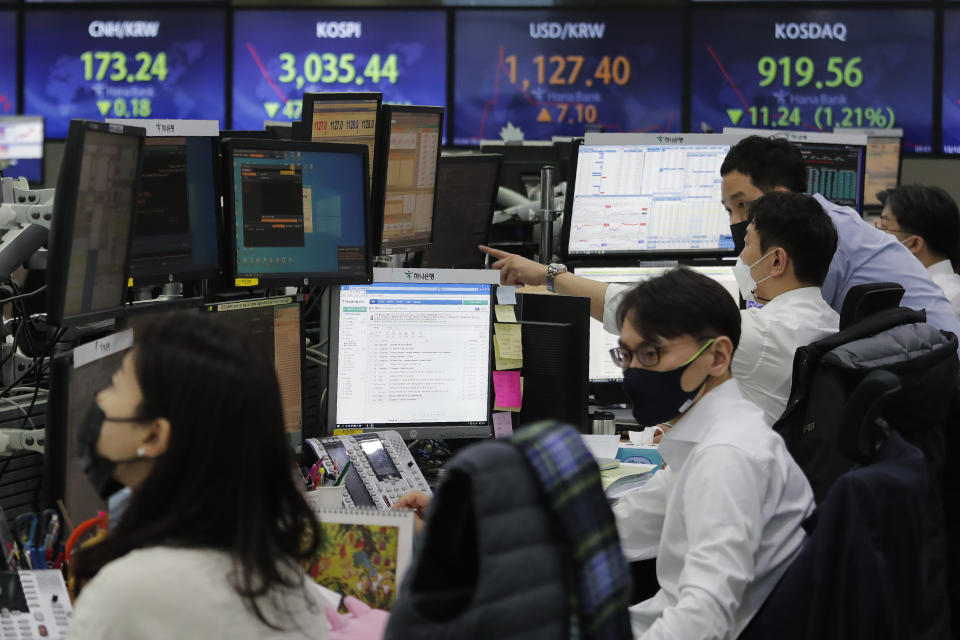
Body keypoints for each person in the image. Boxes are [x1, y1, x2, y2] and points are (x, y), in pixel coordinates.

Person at [398, 269, 815, 639]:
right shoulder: (710, 440)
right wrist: (460, 523)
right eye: (627, 354)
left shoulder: (728, 457)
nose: (633, 371)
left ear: (718, 356)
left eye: (651, 354)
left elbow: (704, 616)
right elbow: (617, 525)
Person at [479, 136, 960, 357]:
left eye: (743, 208)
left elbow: (664, 322)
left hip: (929, 377)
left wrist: (549, 277)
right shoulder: (826, 236)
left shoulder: (820, 269)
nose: (735, 224)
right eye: (728, 208)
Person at [68, 314, 329, 640]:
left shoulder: (128, 592)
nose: (101, 399)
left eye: (115, 385)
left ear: (153, 437)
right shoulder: (282, 577)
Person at [876, 184, 960, 316]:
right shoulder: (925, 289)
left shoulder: (938, 301)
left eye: (884, 227)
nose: (877, 235)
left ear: (914, 244)